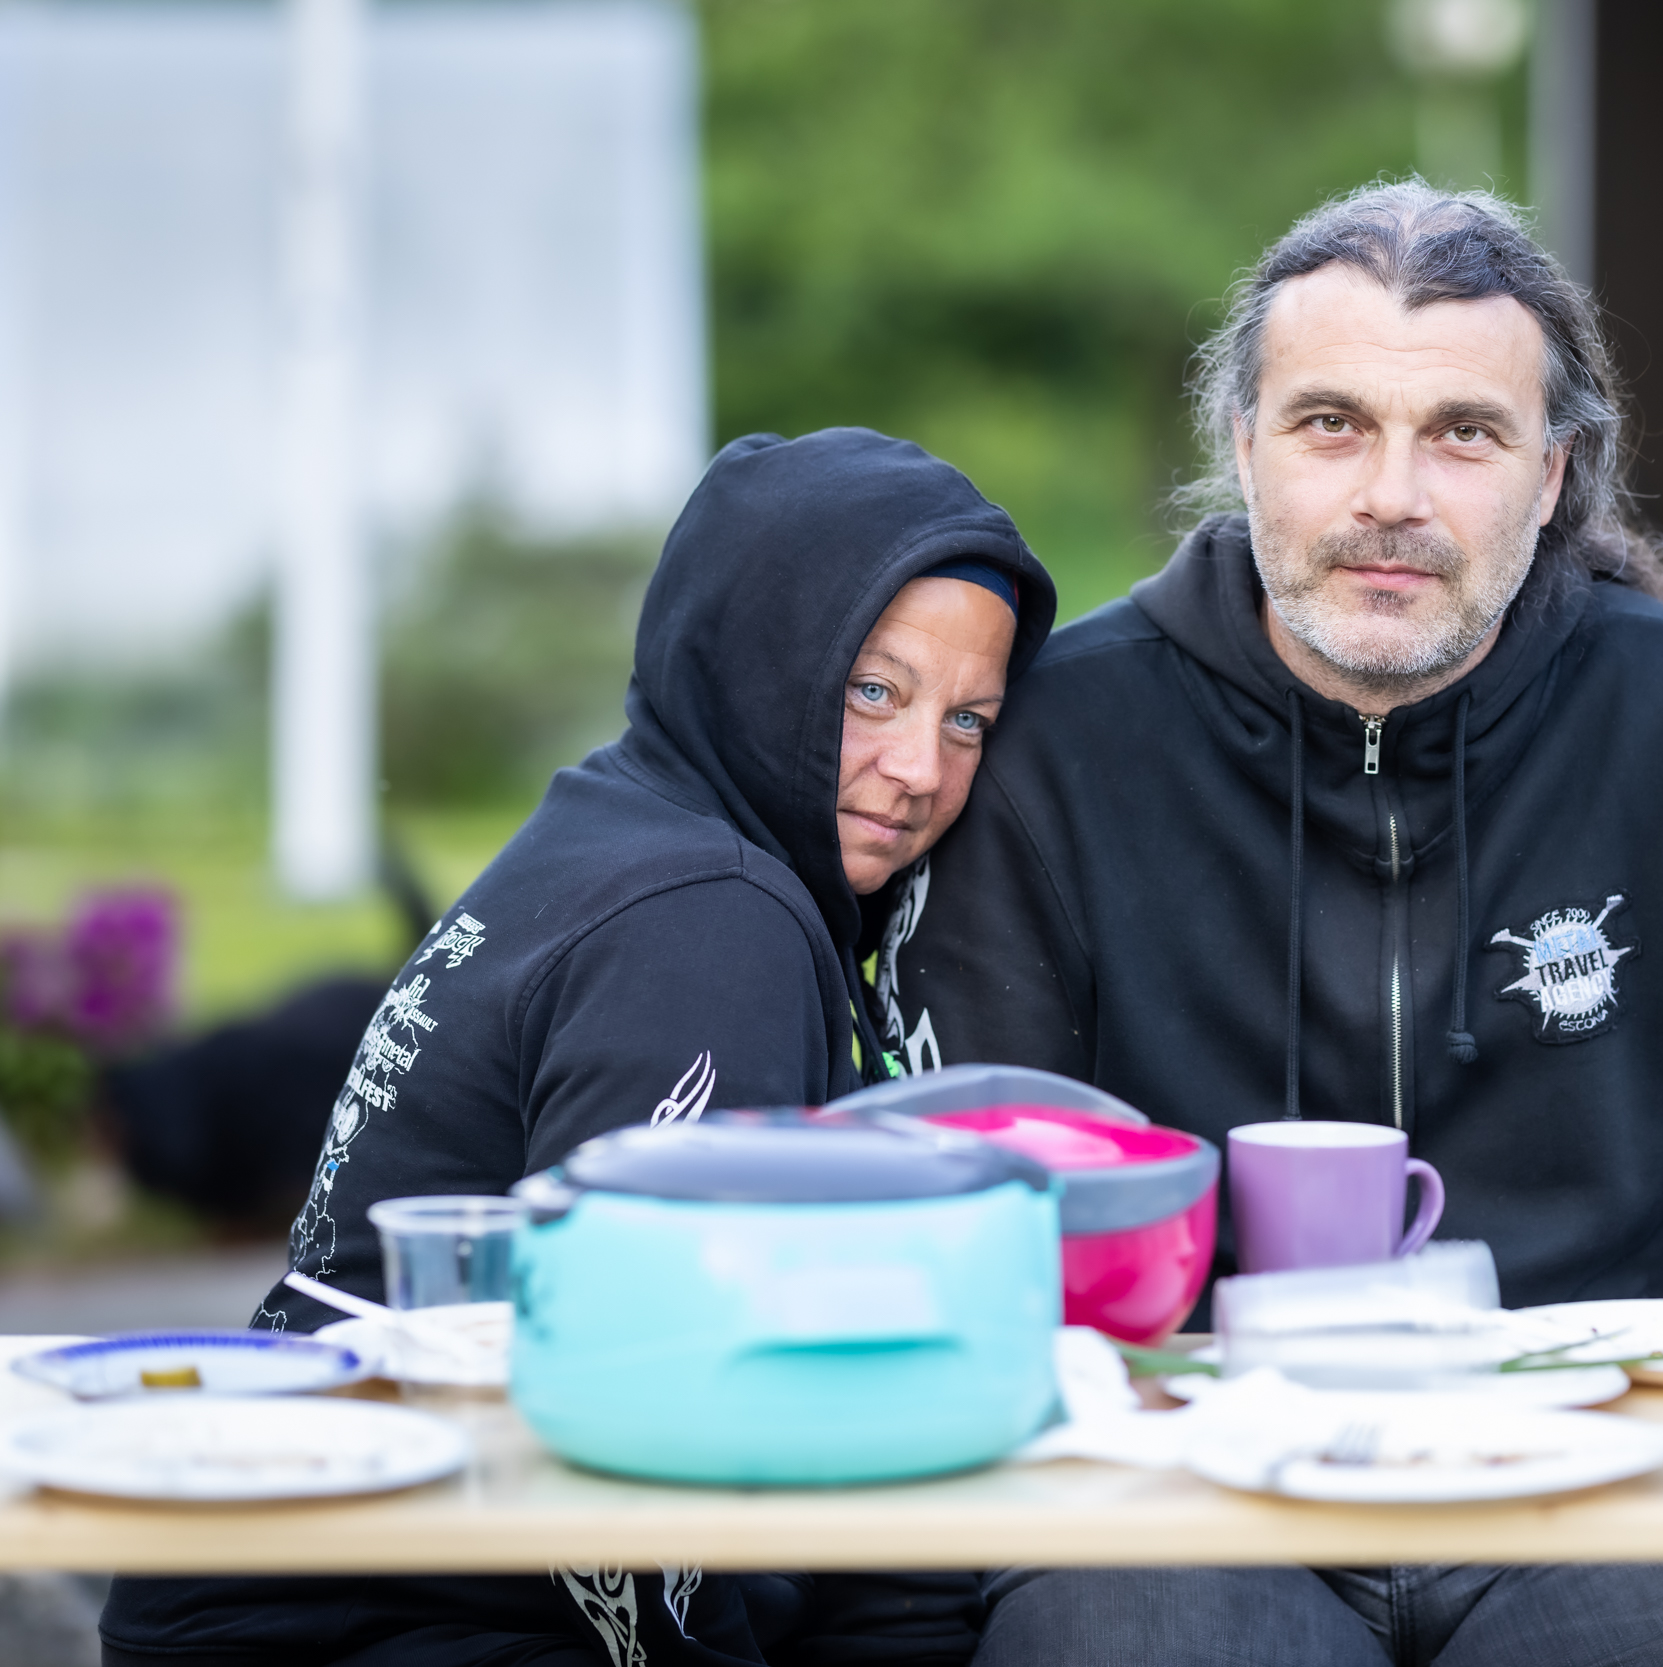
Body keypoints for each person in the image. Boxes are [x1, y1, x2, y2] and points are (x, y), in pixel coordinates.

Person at [876, 183, 1663, 1665]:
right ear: (1242, 445)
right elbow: (959, 1211)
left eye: (1463, 433)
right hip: (1173, 1489)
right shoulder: (1060, 739)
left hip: (1600, 1485)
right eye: (1331, 424)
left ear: (1551, 473)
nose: (1392, 493)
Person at [100, 427, 1056, 1667]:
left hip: (283, 1564)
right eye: (873, 690)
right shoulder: (711, 920)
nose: (919, 768)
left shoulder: (623, 819)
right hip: (359, 1616)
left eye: (969, 719)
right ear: (749, 660)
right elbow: (640, 1440)